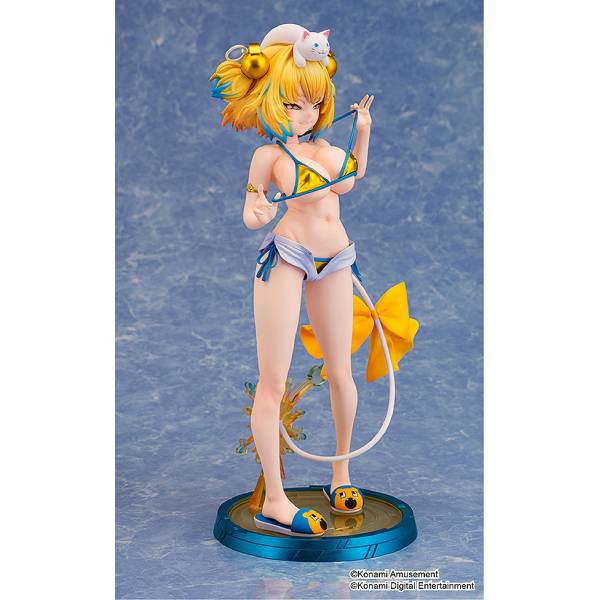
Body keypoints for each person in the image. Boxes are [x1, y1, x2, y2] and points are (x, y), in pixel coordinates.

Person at [210, 33, 373, 537]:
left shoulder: (327, 148)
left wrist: (362, 130)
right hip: (287, 256)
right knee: (273, 380)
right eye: (293, 104)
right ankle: (276, 501)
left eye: (314, 103)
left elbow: (353, 177)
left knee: (341, 370)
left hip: (337, 258)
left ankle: (340, 474)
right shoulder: (267, 155)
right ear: (271, 101)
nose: (306, 114)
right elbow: (251, 210)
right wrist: (257, 212)